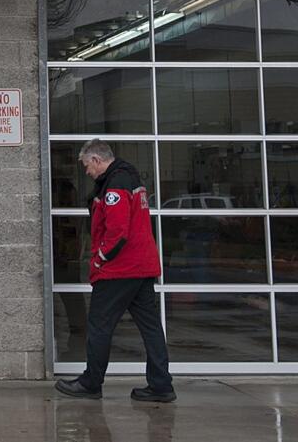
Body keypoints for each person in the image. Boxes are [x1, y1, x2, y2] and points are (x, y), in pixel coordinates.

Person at [55, 139, 176, 402]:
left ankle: (91, 383)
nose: (87, 172)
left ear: (97, 160)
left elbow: (117, 231)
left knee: (99, 326)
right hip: (141, 267)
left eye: (88, 166)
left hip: (120, 269)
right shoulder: (129, 178)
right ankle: (161, 385)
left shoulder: (116, 184)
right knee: (151, 327)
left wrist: (98, 260)